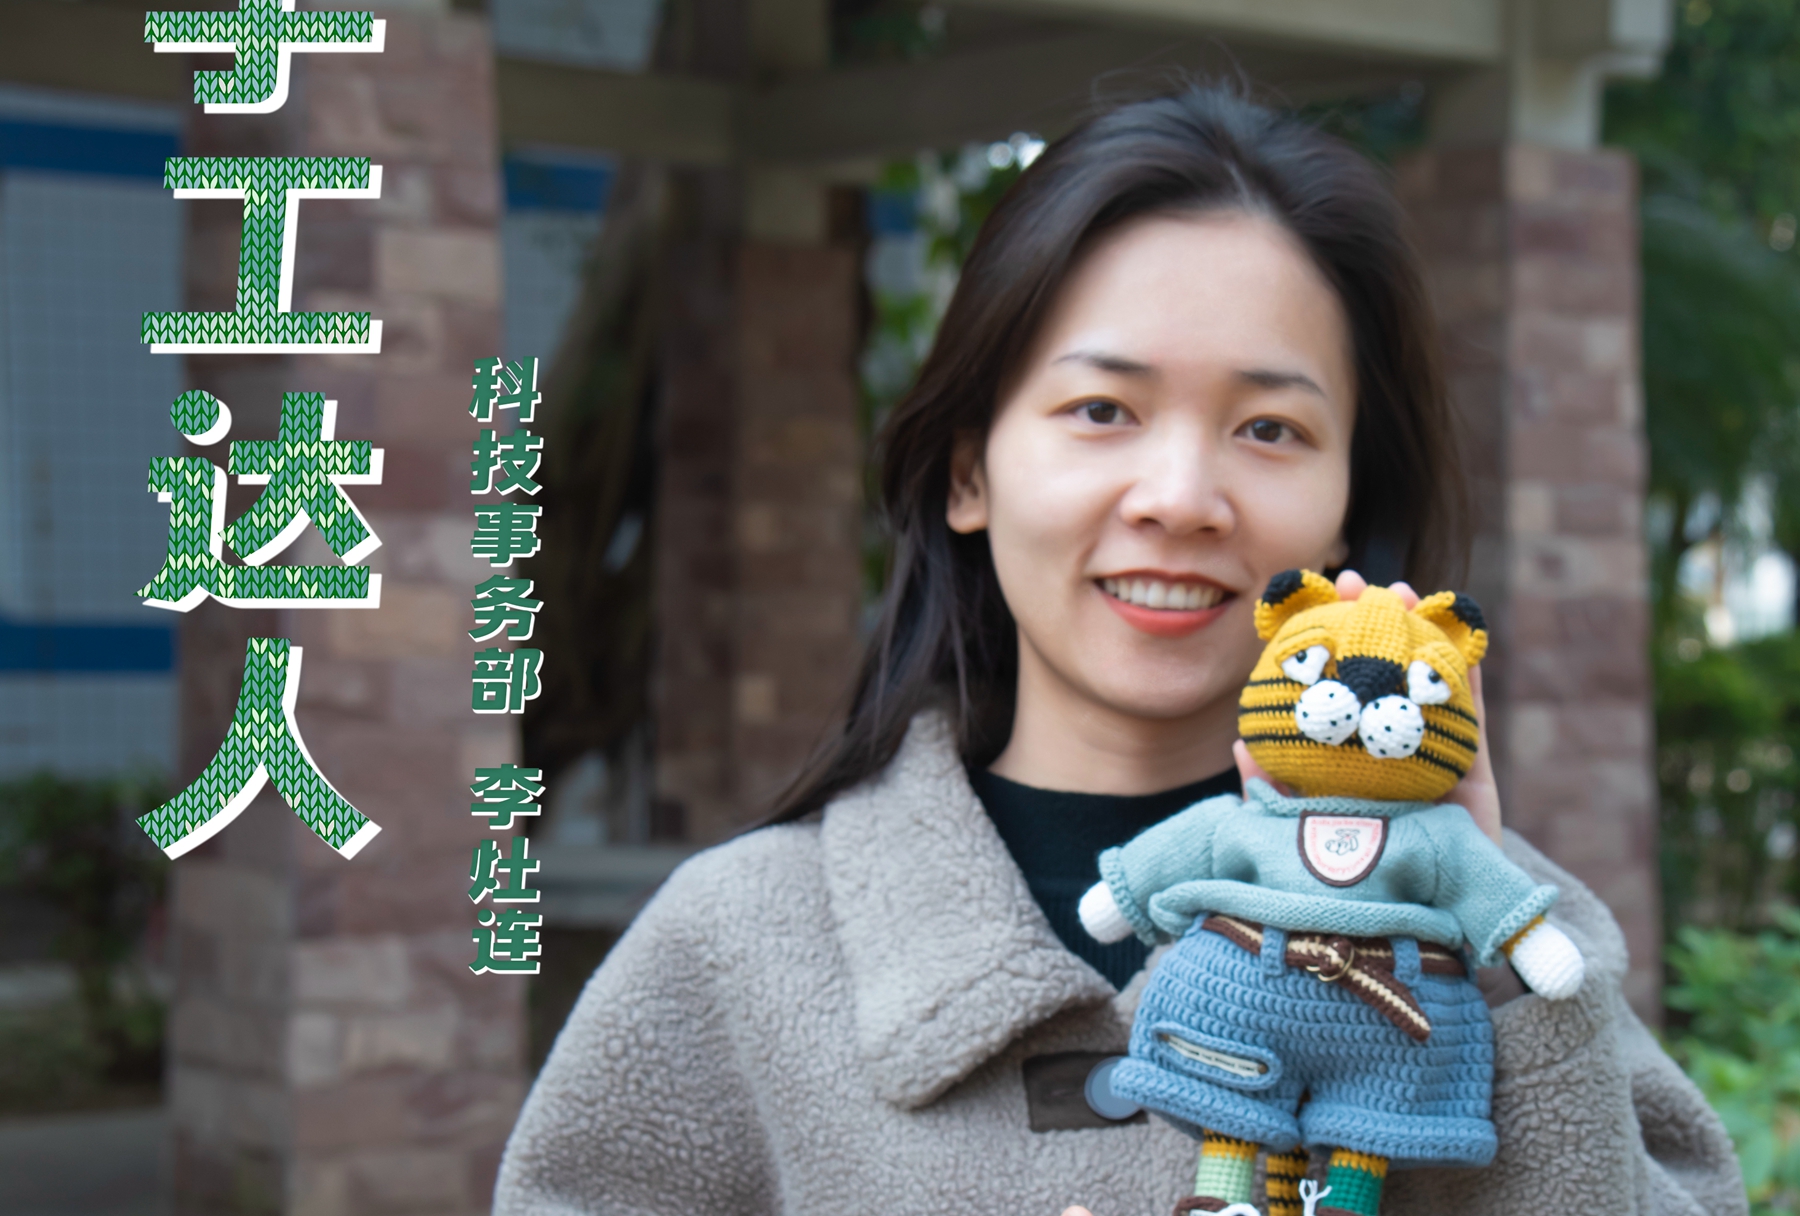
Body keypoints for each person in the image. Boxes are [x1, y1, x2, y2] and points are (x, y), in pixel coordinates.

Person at [492, 84, 1745, 1216]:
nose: (1182, 497)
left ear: (1346, 515)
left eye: (1269, 428)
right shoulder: (738, 948)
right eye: (1103, 410)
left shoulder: (1517, 945)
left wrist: (1490, 965)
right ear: (970, 472)